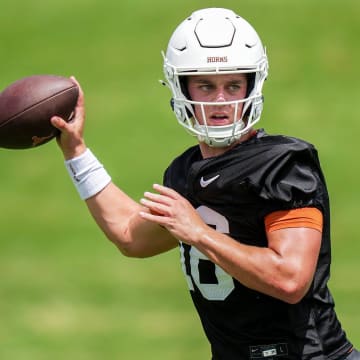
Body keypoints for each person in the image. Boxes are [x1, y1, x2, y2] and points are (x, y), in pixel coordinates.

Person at [51, 7, 359, 360]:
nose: (221, 101)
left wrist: (199, 233)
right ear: (182, 88)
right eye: (205, 86)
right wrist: (76, 151)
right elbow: (129, 235)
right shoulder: (186, 171)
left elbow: (289, 279)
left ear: (252, 85)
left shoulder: (282, 166)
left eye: (233, 85)